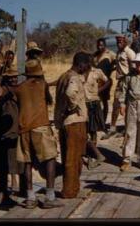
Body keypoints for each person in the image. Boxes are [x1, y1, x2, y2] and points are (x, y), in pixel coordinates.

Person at [11, 59, 61, 209]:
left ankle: (30, 197)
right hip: (41, 126)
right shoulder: (42, 85)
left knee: (27, 161)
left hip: (24, 128)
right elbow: (49, 101)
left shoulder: (19, 88)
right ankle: (50, 196)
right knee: (50, 158)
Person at [55, 52, 92, 198]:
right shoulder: (74, 78)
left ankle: (72, 187)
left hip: (65, 122)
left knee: (68, 157)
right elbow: (70, 93)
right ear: (81, 64)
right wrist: (74, 107)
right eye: (87, 65)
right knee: (73, 158)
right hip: (74, 122)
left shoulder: (63, 76)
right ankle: (70, 190)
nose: (88, 67)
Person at [0, 68, 24, 205]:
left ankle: (8, 191)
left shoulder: (16, 90)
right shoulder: (0, 90)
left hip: (13, 131)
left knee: (13, 163)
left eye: (15, 77)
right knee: (4, 164)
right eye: (11, 78)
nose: (14, 80)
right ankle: (3, 192)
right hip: (3, 131)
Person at [102, 34, 135, 140]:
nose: (119, 43)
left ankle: (125, 129)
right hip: (120, 80)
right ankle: (113, 128)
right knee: (116, 104)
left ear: (125, 41)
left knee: (126, 105)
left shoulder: (129, 52)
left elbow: (133, 66)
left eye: (121, 41)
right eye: (117, 41)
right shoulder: (119, 52)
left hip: (127, 80)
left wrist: (130, 80)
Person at [83, 59, 110, 169]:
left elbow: (108, 81)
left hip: (94, 103)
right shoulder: (79, 73)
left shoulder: (97, 72)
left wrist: (99, 90)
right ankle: (92, 154)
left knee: (93, 130)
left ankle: (94, 156)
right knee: (85, 130)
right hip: (84, 104)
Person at [93, 38, 116, 130]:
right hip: (96, 81)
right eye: (98, 45)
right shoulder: (95, 55)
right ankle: (97, 122)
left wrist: (110, 69)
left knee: (104, 101)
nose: (100, 47)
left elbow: (117, 62)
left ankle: (103, 123)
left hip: (105, 81)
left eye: (101, 45)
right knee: (96, 102)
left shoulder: (110, 54)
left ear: (105, 45)